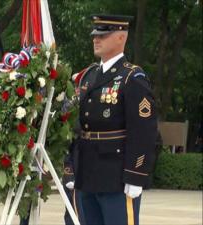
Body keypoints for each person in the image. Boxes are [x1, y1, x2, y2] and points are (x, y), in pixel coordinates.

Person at [75, 14, 158, 225]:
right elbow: (77, 125)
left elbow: (144, 131)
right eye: (95, 34)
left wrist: (136, 174)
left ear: (121, 38)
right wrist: (70, 167)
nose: (96, 39)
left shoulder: (132, 78)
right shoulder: (89, 76)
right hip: (88, 172)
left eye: (104, 35)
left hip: (116, 176)